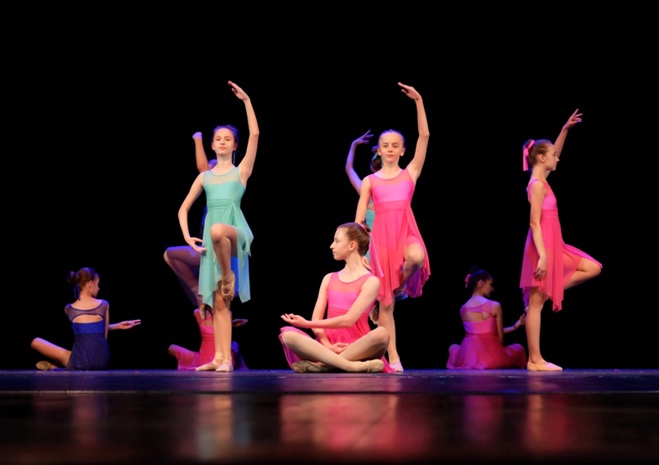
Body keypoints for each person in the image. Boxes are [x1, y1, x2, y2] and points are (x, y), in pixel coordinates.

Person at [177, 80, 259, 372]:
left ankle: (228, 275)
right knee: (219, 304)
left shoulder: (241, 172)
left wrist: (247, 101)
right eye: (218, 139)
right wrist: (188, 237)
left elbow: (255, 133)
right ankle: (222, 358)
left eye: (228, 139)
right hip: (215, 247)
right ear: (212, 145)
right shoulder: (205, 177)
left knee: (216, 230)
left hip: (235, 232)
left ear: (235, 146)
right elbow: (183, 208)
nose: (222, 142)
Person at [354, 82, 431, 372]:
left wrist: (419, 101)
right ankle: (394, 357)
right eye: (385, 145)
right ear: (380, 150)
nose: (389, 149)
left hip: (405, 232)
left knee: (417, 257)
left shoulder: (410, 173)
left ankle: (400, 287)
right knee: (386, 305)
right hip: (380, 241)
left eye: (395, 146)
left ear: (402, 150)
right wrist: (360, 252)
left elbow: (425, 135)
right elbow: (359, 221)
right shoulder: (369, 181)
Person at [520, 109, 602, 371]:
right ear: (542, 158)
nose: (558, 158)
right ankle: (535, 360)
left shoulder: (542, 179)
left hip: (555, 243)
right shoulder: (537, 185)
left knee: (593, 267)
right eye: (553, 155)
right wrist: (543, 255)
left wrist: (565, 129)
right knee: (535, 304)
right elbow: (534, 222)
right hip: (541, 246)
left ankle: (550, 290)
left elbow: (555, 151)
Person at [279, 222, 393, 373]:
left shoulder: (371, 281)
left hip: (358, 346)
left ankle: (324, 365)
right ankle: (349, 365)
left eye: (337, 241)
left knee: (382, 333)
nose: (331, 246)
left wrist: (306, 323)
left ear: (351, 245)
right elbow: (316, 320)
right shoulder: (329, 278)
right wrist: (327, 346)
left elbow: (348, 320)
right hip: (326, 346)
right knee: (288, 335)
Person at [31, 267, 141, 370]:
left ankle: (55, 366)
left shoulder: (69, 309)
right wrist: (116, 326)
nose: (99, 288)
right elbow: (102, 335)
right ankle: (55, 367)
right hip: (102, 360)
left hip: (80, 361)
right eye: (98, 284)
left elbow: (88, 329)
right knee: (85, 350)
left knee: (36, 341)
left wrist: (117, 326)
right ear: (90, 284)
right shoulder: (104, 305)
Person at [447, 267, 527, 369]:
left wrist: (514, 327)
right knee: (519, 348)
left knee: (453, 348)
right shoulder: (494, 305)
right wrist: (515, 327)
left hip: (468, 358)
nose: (492, 288)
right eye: (490, 284)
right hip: (491, 357)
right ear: (481, 283)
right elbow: (499, 338)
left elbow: (480, 334)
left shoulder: (463, 309)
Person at [168, 308, 249, 371]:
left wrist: (230, 323)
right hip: (225, 360)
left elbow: (213, 324)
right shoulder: (227, 313)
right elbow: (218, 324)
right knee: (234, 345)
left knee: (172, 348)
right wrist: (230, 323)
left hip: (204, 360)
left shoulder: (197, 312)